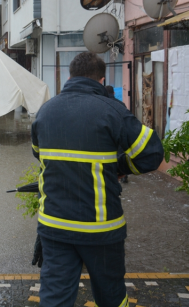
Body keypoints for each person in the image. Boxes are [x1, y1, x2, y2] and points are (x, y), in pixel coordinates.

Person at [30, 52, 163, 307]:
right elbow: (152, 152)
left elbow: (40, 156)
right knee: (112, 297)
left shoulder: (45, 112)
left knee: (54, 298)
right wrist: (120, 167)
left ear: (70, 76)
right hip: (101, 230)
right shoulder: (112, 110)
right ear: (101, 81)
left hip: (54, 226)